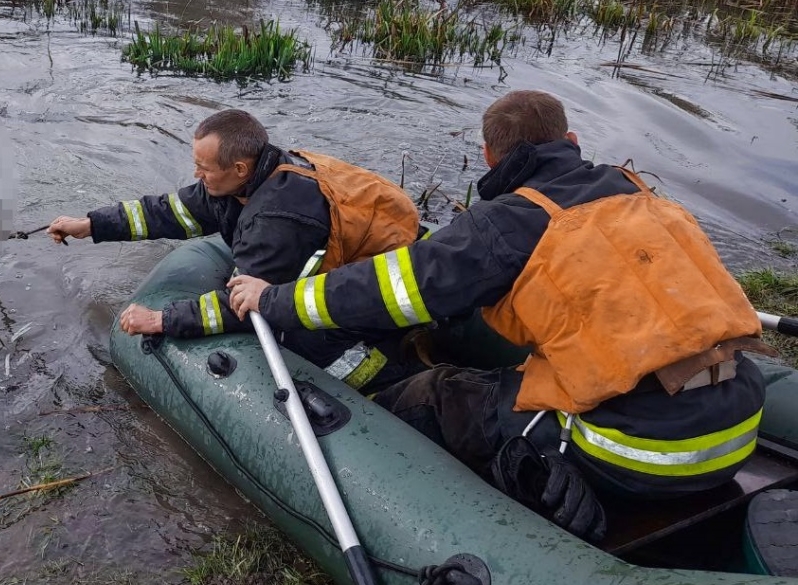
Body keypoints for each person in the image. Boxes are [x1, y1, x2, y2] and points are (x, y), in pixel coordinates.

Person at [226, 90, 778, 542]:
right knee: (535, 371)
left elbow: (386, 290)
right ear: (572, 142)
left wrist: (272, 299)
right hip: (738, 427)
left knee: (442, 390)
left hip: (639, 457)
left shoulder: (507, 222)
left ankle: (508, 476)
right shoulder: (644, 196)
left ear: (490, 158)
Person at [48, 108, 426, 394]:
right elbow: (166, 212)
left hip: (377, 284)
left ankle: (392, 384)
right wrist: (92, 225)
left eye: (204, 168)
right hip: (353, 253)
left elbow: (246, 307)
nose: (197, 174)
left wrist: (163, 319)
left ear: (240, 168)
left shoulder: (276, 221)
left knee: (307, 344)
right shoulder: (238, 181)